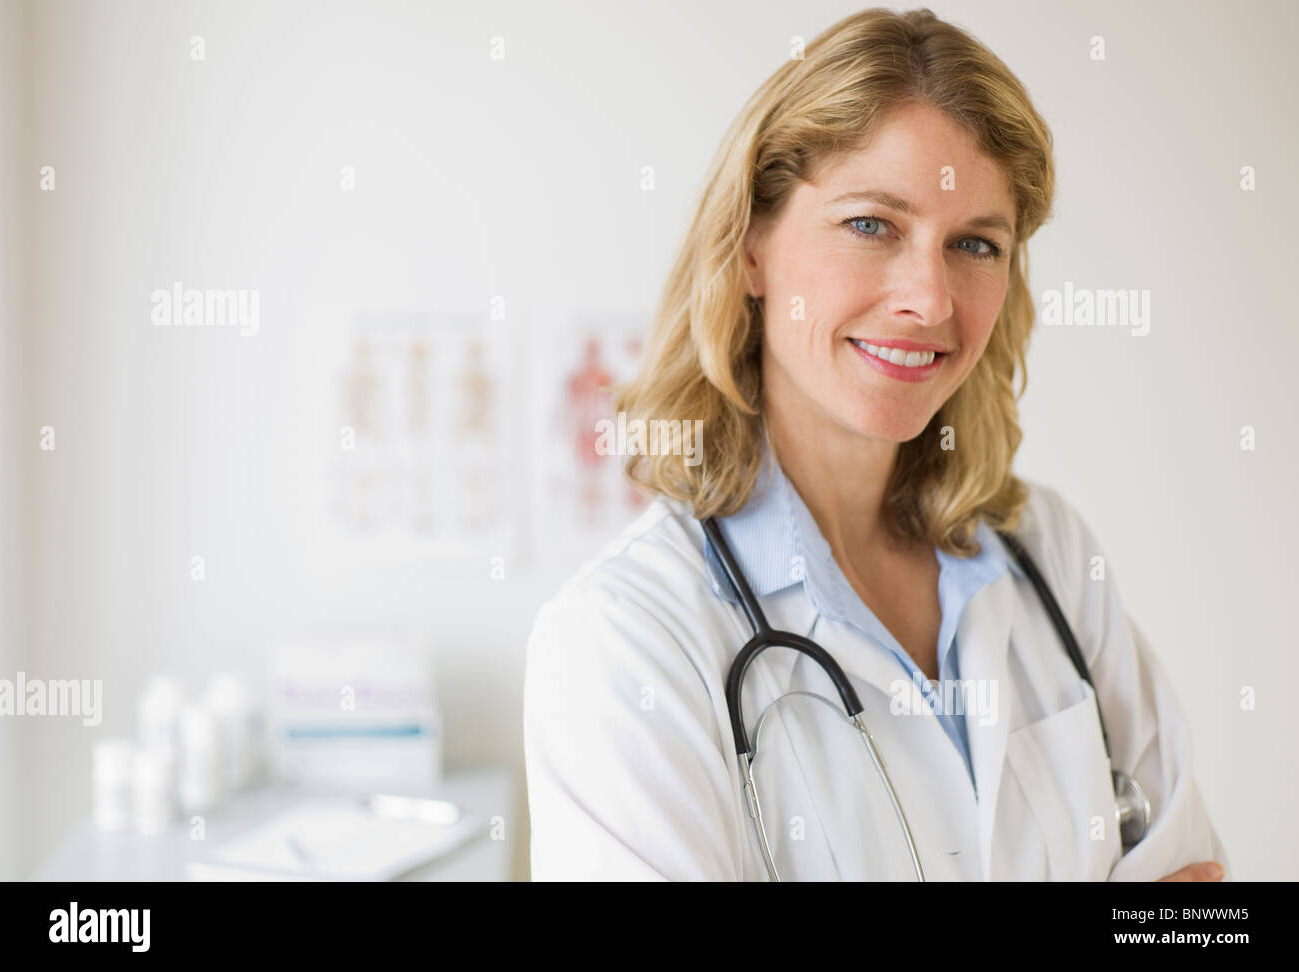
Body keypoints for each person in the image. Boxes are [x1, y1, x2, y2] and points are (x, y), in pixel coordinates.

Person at [523, 6, 1228, 881]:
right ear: (751, 245)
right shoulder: (627, 637)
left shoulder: (1048, 556)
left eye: (975, 243)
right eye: (872, 225)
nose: (929, 299)